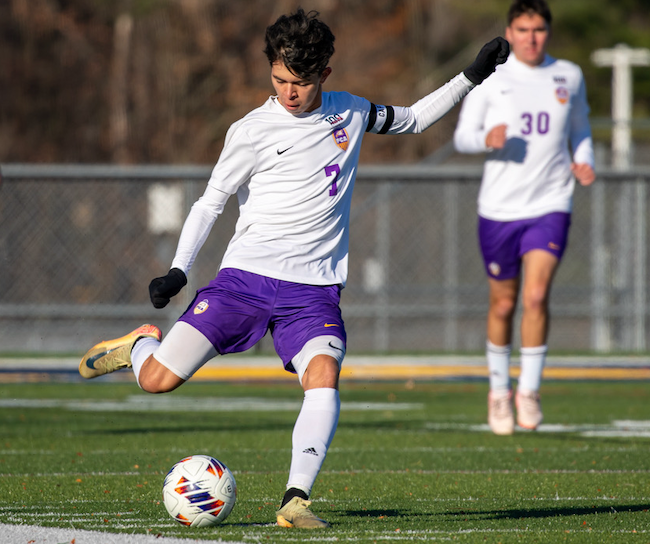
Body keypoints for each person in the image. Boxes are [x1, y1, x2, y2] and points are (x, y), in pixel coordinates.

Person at [79, 8, 508, 528]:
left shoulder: (350, 111)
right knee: (156, 381)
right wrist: (179, 270)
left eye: (300, 83)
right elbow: (211, 202)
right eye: (279, 79)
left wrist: (472, 75)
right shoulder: (250, 130)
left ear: (324, 74)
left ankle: (295, 500)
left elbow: (413, 118)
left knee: (324, 377)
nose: (288, 92)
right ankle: (139, 346)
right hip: (243, 283)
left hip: (314, 292)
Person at [453, 0, 595, 436]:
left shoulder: (568, 75)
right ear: (509, 32)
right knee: (504, 302)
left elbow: (581, 129)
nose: (531, 37)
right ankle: (499, 391)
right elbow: (462, 137)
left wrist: (585, 159)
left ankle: (528, 390)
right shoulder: (492, 78)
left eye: (538, 29)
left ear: (547, 32)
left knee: (536, 297)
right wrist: (486, 139)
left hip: (550, 203)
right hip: (499, 209)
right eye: (522, 29)